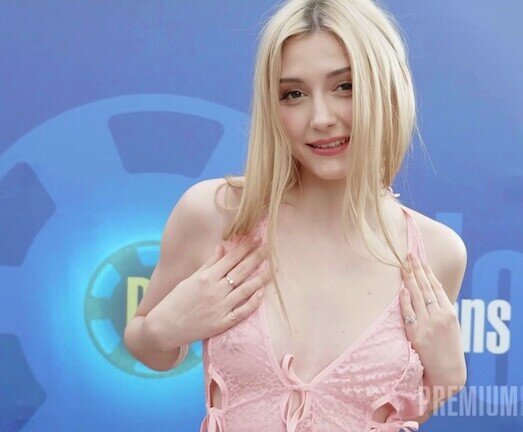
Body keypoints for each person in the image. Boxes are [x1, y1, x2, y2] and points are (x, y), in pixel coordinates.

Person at [124, 0, 468, 430]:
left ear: (388, 89)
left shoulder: (436, 252)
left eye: (345, 86)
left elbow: (399, 413)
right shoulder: (216, 215)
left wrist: (447, 381)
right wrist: (162, 330)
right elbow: (147, 346)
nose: (321, 118)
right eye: (294, 94)